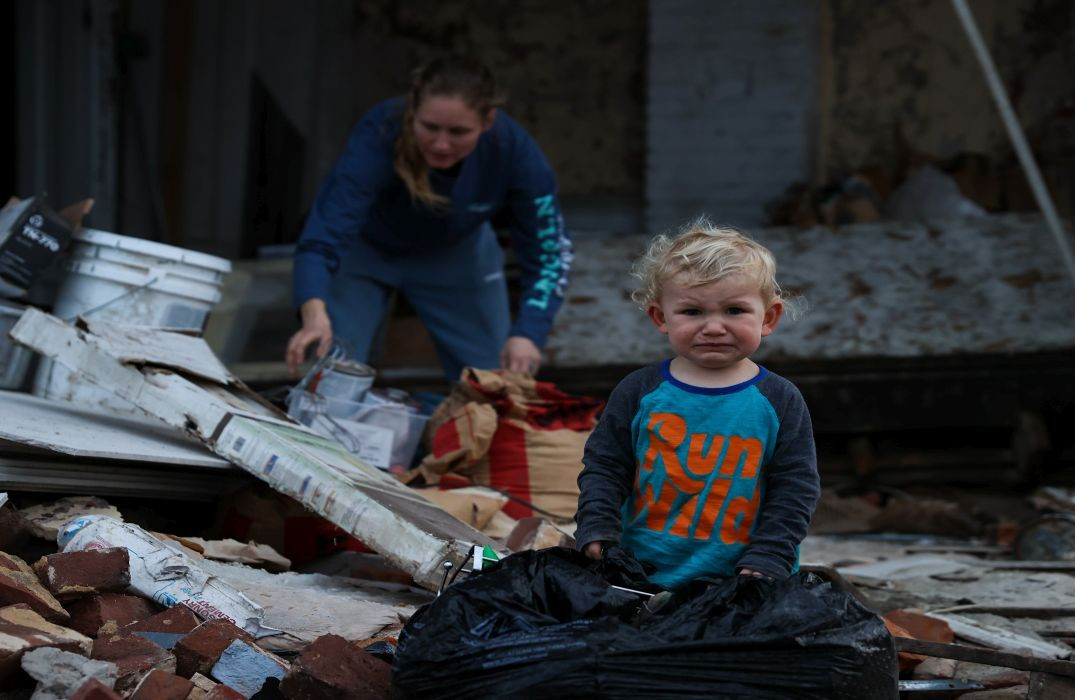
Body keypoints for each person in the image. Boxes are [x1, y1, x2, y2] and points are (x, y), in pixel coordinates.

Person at [286, 55, 571, 380]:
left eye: (459, 131)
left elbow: (549, 254)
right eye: (429, 127)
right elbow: (324, 232)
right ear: (412, 112)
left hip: (457, 254)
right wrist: (313, 310)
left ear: (488, 122)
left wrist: (528, 333)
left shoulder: (515, 153)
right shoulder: (380, 130)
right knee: (333, 369)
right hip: (364, 253)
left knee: (491, 382)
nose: (441, 144)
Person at [574, 219, 820, 588]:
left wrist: (771, 555)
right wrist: (596, 526)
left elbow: (795, 487)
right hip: (640, 574)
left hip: (742, 578)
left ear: (769, 317)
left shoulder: (780, 400)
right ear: (661, 317)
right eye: (693, 312)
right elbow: (606, 466)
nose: (715, 327)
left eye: (735, 310)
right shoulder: (639, 391)